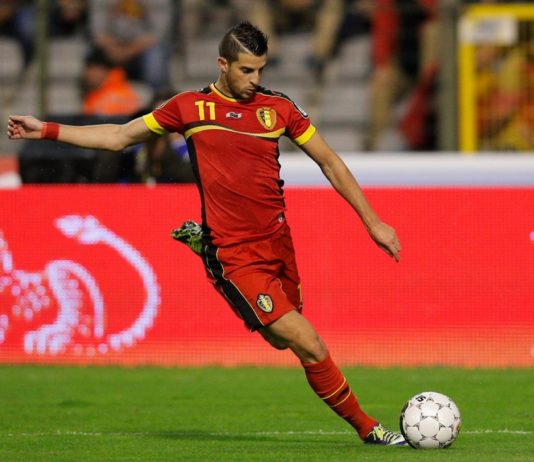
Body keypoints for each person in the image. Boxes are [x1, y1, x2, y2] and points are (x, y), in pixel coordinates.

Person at [8, 22, 405, 446]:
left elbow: (330, 162)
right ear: (222, 64)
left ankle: (202, 246)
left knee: (280, 340)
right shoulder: (190, 108)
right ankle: (369, 429)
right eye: (247, 70)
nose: (255, 80)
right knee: (309, 343)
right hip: (234, 252)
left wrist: (373, 222)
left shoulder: (278, 108)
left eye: (261, 70)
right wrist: (46, 130)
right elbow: (119, 136)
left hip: (277, 242)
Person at [88, 0, 172, 92]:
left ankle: (157, 96)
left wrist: (128, 51)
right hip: (110, 46)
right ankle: (96, 98)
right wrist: (114, 49)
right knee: (93, 72)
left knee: (155, 62)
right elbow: (98, 31)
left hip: (144, 47)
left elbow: (157, 33)